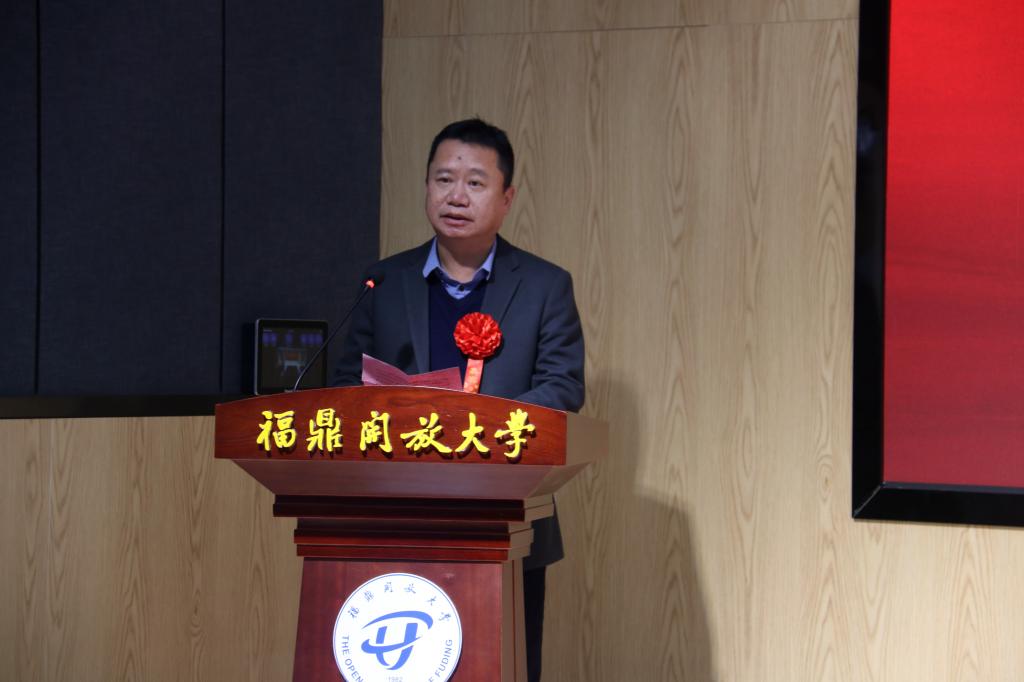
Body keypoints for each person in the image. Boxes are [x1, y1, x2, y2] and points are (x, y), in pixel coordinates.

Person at [333, 117, 585, 681]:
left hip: (509, 515)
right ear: (426, 186)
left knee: (502, 664)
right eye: (444, 179)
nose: (456, 195)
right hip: (397, 512)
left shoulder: (545, 285)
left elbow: (564, 386)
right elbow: (349, 383)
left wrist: (470, 423)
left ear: (506, 198)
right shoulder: (383, 282)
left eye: (475, 182)